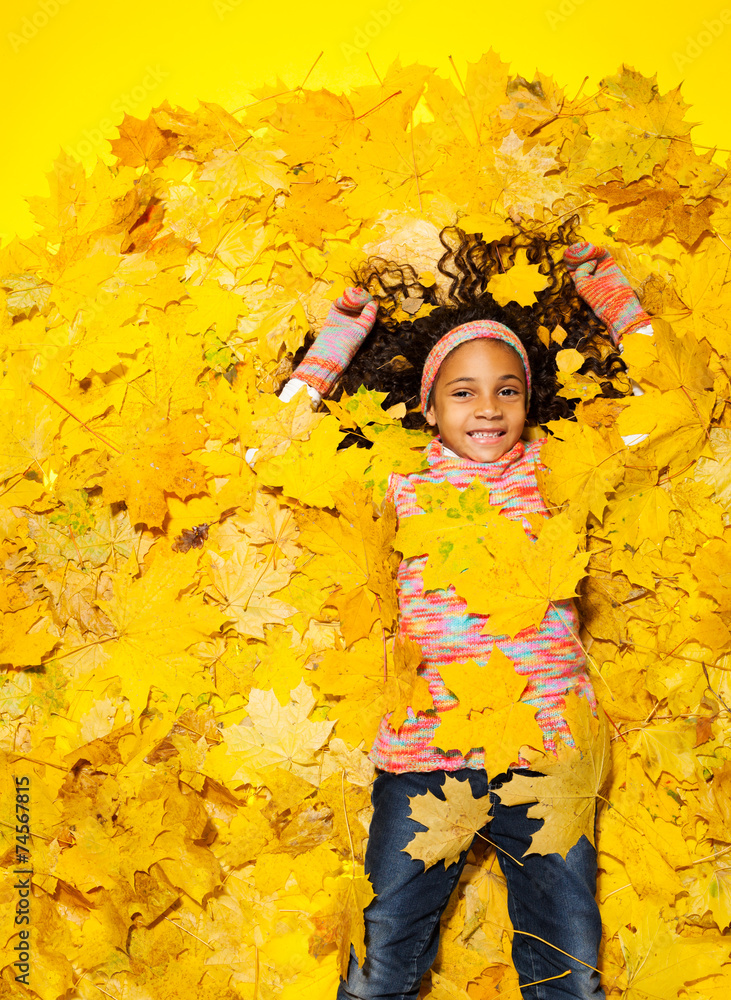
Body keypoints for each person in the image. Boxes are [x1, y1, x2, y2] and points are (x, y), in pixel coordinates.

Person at [261, 224, 653, 1000]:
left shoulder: (557, 471)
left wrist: (601, 285)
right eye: (463, 391)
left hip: (545, 756)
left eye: (507, 389)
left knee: (569, 979)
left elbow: (663, 399)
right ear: (427, 403)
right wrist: (340, 337)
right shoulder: (399, 480)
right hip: (425, 758)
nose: (487, 408)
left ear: (530, 399)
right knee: (378, 974)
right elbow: (272, 441)